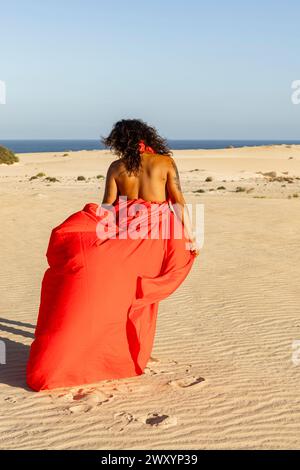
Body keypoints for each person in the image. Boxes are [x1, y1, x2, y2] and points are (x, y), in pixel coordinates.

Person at [26, 119, 198, 391]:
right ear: (147, 136)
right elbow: (177, 200)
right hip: (158, 238)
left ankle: (119, 351)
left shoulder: (116, 168)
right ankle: (134, 351)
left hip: (125, 233)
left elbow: (107, 208)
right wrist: (192, 234)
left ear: (119, 142)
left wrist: (92, 237)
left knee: (123, 293)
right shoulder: (164, 163)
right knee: (144, 293)